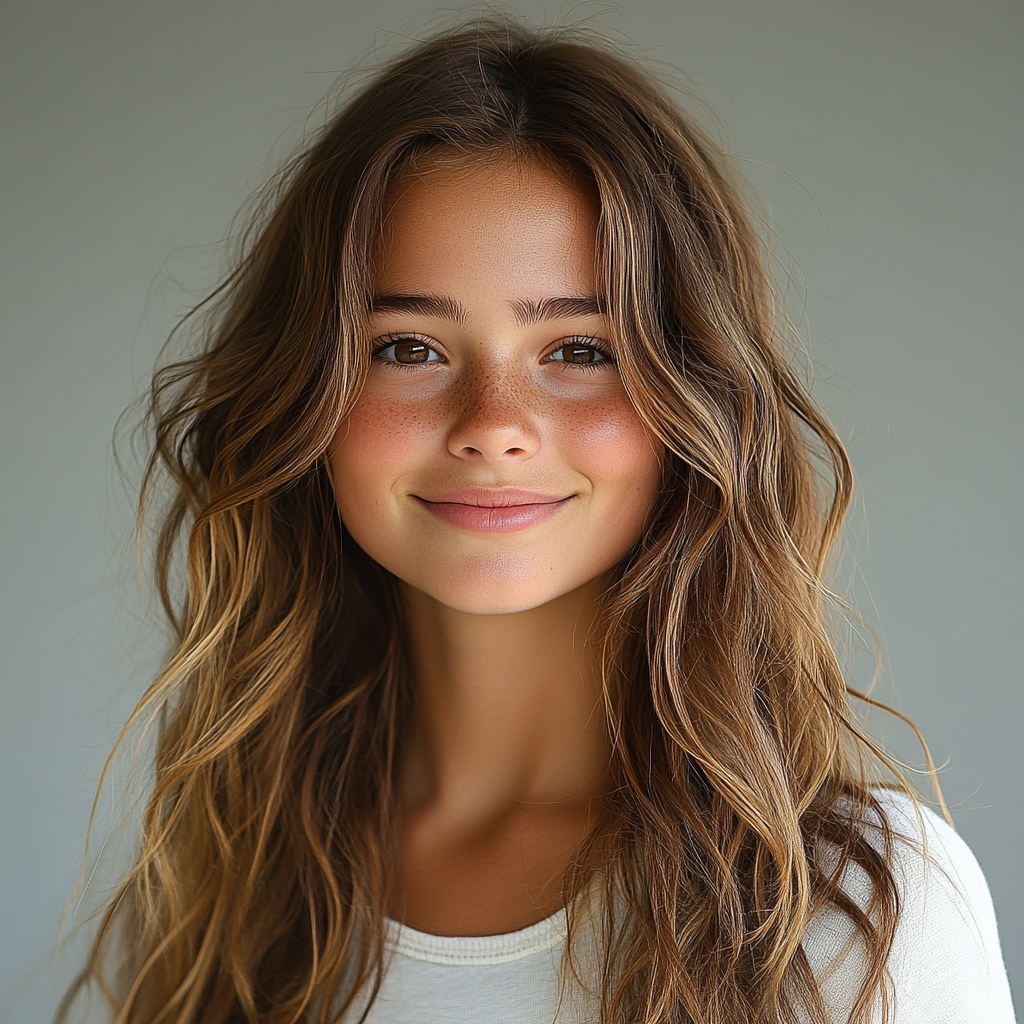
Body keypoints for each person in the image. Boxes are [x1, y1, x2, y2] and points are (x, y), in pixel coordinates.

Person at [58, 19, 1015, 1024]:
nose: (495, 426)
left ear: (694, 407)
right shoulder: (219, 883)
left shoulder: (847, 907)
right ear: (308, 397)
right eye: (408, 349)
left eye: (580, 350)